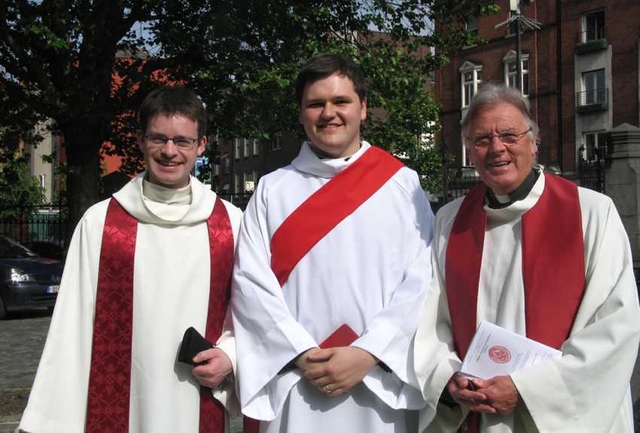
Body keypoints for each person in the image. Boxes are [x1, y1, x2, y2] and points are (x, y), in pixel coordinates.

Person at [414, 83, 640, 432]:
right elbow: (431, 320)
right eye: (481, 140)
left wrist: (526, 389)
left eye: (508, 135)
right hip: (477, 412)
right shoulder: (450, 221)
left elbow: (614, 326)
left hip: (555, 417)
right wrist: (448, 377)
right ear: (469, 152)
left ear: (534, 142)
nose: (496, 148)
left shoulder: (591, 213)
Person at [19, 86, 243, 433]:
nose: (170, 151)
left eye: (182, 141)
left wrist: (230, 355)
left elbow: (250, 311)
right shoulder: (101, 223)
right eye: (158, 139)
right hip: (117, 403)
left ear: (201, 144)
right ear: (140, 140)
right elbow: (71, 323)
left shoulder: (230, 224)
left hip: (196, 398)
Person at [231, 53, 435, 432]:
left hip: (377, 384)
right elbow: (251, 284)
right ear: (300, 113)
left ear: (363, 107)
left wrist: (369, 351)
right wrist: (302, 353)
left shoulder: (402, 184)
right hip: (297, 380)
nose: (329, 113)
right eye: (315, 103)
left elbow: (423, 279)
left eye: (341, 101)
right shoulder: (272, 189)